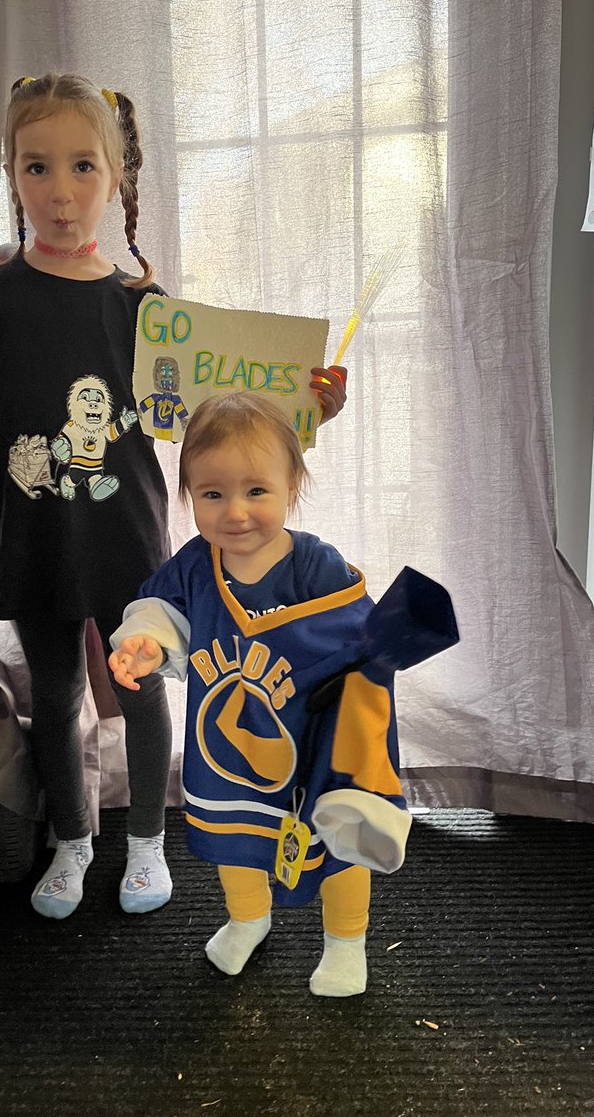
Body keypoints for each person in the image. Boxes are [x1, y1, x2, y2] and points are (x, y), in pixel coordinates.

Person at [0, 73, 348, 920]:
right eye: (37, 168)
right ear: (12, 174)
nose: (62, 192)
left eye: (84, 168)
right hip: (36, 538)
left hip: (127, 537)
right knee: (55, 692)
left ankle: (147, 842)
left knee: (144, 686)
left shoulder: (146, 312)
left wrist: (307, 410)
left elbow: (220, 423)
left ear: (118, 178)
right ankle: (73, 841)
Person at [108, 392, 413, 995]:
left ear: (291, 484)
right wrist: (143, 641)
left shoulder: (315, 565)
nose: (235, 513)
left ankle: (346, 942)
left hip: (313, 740)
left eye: (256, 491)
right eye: (212, 494)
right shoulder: (196, 565)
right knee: (236, 841)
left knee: (336, 841)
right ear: (189, 494)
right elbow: (158, 610)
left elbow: (363, 634)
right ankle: (248, 919)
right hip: (227, 754)